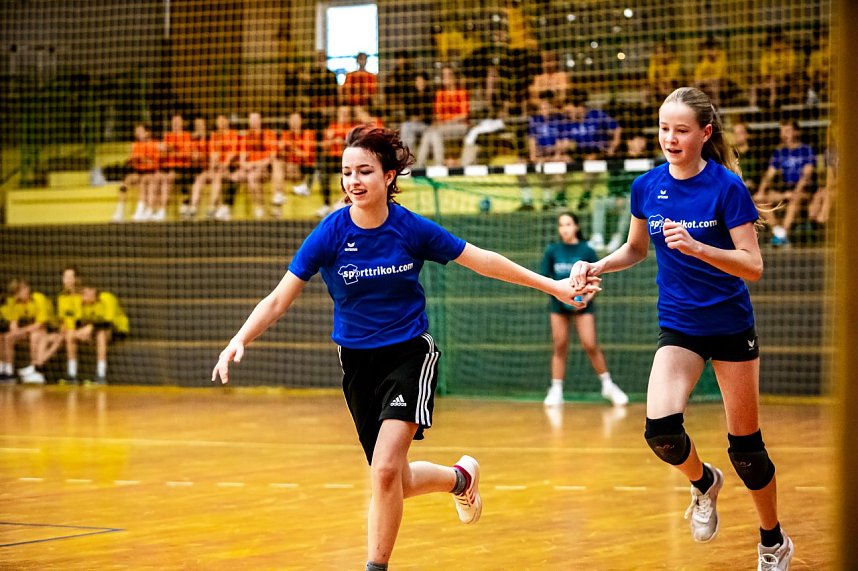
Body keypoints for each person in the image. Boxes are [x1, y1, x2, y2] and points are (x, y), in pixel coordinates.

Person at [212, 125, 599, 571]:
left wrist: (551, 285)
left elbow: (482, 260)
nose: (354, 182)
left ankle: (375, 567)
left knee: (384, 473)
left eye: (365, 172)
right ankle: (460, 478)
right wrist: (239, 338)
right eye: (346, 173)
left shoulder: (410, 228)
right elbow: (280, 298)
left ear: (389, 176)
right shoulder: (330, 233)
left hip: (409, 355)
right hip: (357, 363)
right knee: (393, 476)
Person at [570, 86, 794, 570]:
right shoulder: (646, 186)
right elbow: (635, 249)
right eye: (664, 128)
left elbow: (752, 265)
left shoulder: (726, 187)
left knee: (748, 451)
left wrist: (699, 248)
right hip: (680, 326)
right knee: (662, 434)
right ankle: (702, 483)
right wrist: (597, 265)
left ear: (704, 133)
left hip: (731, 325)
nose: (670, 138)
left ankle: (772, 540)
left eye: (681, 130)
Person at [541, 212, 629, 407]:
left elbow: (596, 279)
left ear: (577, 226)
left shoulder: (587, 250)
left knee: (590, 344)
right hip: (558, 305)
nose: (565, 228)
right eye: (561, 225)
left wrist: (586, 299)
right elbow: (545, 279)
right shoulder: (552, 251)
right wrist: (559, 295)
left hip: (583, 305)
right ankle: (556, 389)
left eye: (568, 224)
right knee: (559, 345)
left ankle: (608, 385)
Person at [754, 119, 817, 247]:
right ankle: (779, 234)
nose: (784, 134)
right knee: (758, 200)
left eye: (787, 131)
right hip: (785, 190)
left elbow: (806, 175)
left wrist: (795, 192)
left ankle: (782, 234)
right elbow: (768, 175)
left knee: (794, 200)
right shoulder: (779, 152)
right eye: (782, 131)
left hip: (803, 190)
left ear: (796, 132)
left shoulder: (806, 150)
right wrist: (761, 191)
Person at [589, 131, 650, 253]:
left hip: (633, 200)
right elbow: (613, 182)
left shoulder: (646, 161)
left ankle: (618, 237)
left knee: (630, 203)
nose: (641, 144)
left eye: (642, 141)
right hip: (615, 197)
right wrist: (617, 196)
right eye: (638, 140)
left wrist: (625, 196)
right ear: (629, 142)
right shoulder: (619, 158)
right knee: (599, 201)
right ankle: (597, 236)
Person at [63, 283, 129, 385]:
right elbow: (77, 322)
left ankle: (101, 376)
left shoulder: (107, 298)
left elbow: (108, 322)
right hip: (93, 331)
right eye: (81, 294)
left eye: (84, 293)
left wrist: (91, 327)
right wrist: (79, 332)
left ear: (93, 291)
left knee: (101, 334)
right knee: (70, 334)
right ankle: (72, 375)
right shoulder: (81, 302)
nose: (82, 297)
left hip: (116, 329)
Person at [415, 66, 470, 167]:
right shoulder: (440, 94)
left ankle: (438, 164)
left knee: (435, 132)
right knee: (429, 133)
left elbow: (464, 115)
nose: (446, 77)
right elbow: (438, 115)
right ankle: (420, 165)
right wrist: (442, 122)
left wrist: (447, 121)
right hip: (444, 126)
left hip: (460, 126)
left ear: (454, 77)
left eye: (449, 75)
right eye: (444, 75)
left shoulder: (461, 92)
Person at [4, 279, 54, 384]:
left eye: (26, 288)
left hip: (42, 330)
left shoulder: (39, 298)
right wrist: (16, 331)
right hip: (26, 331)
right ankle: (8, 372)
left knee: (35, 335)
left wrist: (22, 330)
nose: (25, 291)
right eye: (20, 290)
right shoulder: (13, 301)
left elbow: (40, 324)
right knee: (7, 337)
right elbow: (13, 324)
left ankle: (33, 369)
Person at [271, 111, 316, 218]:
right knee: (276, 164)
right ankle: (278, 198)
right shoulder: (285, 134)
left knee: (278, 171)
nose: (294, 122)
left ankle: (277, 206)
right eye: (292, 119)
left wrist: (292, 147)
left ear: (301, 121)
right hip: (288, 168)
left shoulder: (308, 133)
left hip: (303, 169)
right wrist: (282, 149)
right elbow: (280, 154)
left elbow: (306, 155)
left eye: (296, 119)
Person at [113, 123, 160, 223]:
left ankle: (141, 211)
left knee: (143, 181)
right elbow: (132, 163)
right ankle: (119, 211)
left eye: (140, 131)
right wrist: (133, 160)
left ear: (148, 133)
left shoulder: (154, 144)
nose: (138, 134)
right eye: (137, 132)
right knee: (124, 184)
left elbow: (155, 163)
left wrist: (144, 160)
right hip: (138, 172)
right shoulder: (135, 145)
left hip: (151, 173)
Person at [235, 112, 278, 220]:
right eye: (251, 119)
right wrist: (248, 165)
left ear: (260, 120)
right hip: (251, 169)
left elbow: (272, 157)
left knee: (252, 177)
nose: (253, 121)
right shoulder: (246, 137)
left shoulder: (269, 134)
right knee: (242, 176)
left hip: (266, 169)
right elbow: (242, 159)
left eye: (255, 119)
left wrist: (254, 164)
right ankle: (260, 208)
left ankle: (261, 208)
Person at [206, 114, 242, 221]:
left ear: (227, 121)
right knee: (217, 176)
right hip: (219, 168)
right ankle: (218, 208)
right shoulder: (214, 136)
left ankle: (214, 207)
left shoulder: (233, 134)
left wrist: (225, 164)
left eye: (222, 120)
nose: (220, 123)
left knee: (222, 177)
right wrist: (214, 165)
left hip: (232, 167)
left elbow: (233, 153)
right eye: (218, 121)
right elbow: (213, 154)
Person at [160, 113, 194, 221]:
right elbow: (163, 154)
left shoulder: (187, 136)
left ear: (182, 123)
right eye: (173, 122)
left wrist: (173, 150)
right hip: (169, 168)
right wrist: (169, 150)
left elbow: (187, 155)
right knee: (165, 178)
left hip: (184, 168)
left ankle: (185, 207)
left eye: (178, 122)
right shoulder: (167, 136)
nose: (175, 124)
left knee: (176, 177)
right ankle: (162, 210)